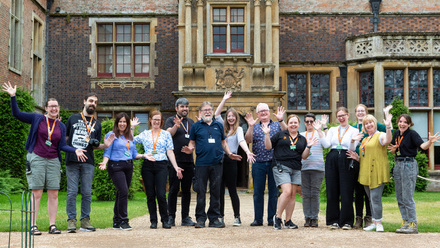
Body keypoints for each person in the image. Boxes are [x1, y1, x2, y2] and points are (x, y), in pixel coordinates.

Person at [2, 82, 87, 235]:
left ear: (58, 108)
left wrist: (75, 150)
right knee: (37, 192)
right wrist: (13, 97)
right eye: (51, 106)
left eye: (56, 106)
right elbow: (17, 114)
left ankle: (52, 225)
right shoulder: (37, 119)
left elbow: (62, 146)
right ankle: (33, 225)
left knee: (54, 192)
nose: (54, 108)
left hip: (54, 161)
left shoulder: (60, 126)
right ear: (46, 108)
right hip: (37, 158)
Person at [182, 101, 242, 228]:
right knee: (201, 191)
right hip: (201, 164)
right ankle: (200, 219)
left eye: (210, 109)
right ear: (201, 112)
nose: (208, 112)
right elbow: (192, 142)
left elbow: (224, 143)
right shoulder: (196, 126)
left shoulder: (219, 126)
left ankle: (214, 218)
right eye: (205, 110)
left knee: (216, 192)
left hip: (217, 164)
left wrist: (230, 154)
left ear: (212, 111)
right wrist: (190, 149)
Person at [65, 93, 115, 233]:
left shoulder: (97, 123)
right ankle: (71, 221)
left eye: (95, 102)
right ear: (84, 101)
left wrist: (105, 145)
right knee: (72, 192)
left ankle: (85, 221)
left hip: (88, 161)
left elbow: (94, 145)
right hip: (72, 160)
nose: (93, 103)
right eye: (91, 101)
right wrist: (73, 150)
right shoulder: (72, 118)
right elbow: (66, 138)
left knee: (87, 193)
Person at [262, 114, 318, 229]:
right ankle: (277, 217)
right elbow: (268, 147)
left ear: (299, 124)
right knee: (286, 191)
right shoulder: (280, 135)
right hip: (281, 166)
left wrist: (309, 147)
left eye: (295, 123)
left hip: (296, 168)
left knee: (292, 195)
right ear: (287, 124)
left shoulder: (302, 139)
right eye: (291, 122)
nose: (293, 125)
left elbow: (304, 156)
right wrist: (267, 134)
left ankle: (288, 221)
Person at [132, 110, 183, 229]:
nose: (156, 122)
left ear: (161, 121)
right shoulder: (145, 134)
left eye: (159, 120)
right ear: (150, 120)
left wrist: (176, 167)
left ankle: (165, 220)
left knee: (161, 194)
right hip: (148, 166)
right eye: (154, 119)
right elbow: (131, 141)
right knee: (150, 195)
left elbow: (170, 151)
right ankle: (153, 221)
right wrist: (133, 128)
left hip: (161, 165)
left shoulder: (166, 134)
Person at [389, 114, 439, 234]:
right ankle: (405, 222)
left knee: (407, 196)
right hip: (398, 164)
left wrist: (430, 142)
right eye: (400, 121)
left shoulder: (412, 134)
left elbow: (422, 146)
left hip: (408, 165)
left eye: (405, 122)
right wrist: (394, 150)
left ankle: (413, 224)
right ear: (398, 122)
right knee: (400, 196)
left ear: (409, 124)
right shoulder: (396, 134)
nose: (402, 124)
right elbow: (394, 150)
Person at [214, 91, 255, 226]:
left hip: (232, 161)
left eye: (233, 116)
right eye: (229, 116)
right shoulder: (221, 126)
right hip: (220, 161)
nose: (231, 118)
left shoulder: (238, 130)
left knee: (232, 190)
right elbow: (216, 114)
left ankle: (237, 217)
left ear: (236, 118)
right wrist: (224, 99)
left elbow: (242, 141)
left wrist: (248, 152)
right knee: (219, 190)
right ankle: (220, 216)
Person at [347, 113, 393, 232]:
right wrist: (357, 158)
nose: (368, 125)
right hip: (366, 171)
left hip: (377, 171)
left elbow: (388, 140)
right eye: (366, 123)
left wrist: (388, 126)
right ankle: (374, 221)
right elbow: (364, 156)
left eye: (370, 122)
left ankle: (379, 223)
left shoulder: (380, 135)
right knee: (371, 198)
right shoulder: (366, 139)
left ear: (375, 123)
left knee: (375, 198)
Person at [98, 112, 144, 231]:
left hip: (128, 165)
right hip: (116, 166)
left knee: (120, 193)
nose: (122, 124)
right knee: (124, 191)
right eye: (120, 121)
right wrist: (104, 162)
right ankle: (124, 221)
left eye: (124, 122)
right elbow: (107, 152)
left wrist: (145, 155)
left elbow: (134, 154)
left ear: (127, 124)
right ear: (116, 123)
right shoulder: (112, 134)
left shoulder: (130, 136)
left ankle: (116, 221)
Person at [245, 103, 287, 226]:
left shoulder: (276, 125)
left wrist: (281, 119)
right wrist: (250, 126)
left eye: (265, 110)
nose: (263, 113)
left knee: (273, 192)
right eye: (260, 111)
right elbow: (248, 140)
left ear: (269, 112)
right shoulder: (255, 126)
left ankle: (271, 218)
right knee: (258, 192)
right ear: (257, 114)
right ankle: (258, 219)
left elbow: (287, 132)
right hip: (258, 163)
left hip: (274, 162)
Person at [319, 107, 360, 230]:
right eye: (339, 116)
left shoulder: (354, 130)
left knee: (346, 189)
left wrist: (352, 141)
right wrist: (319, 131)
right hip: (332, 157)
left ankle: (347, 221)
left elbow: (351, 148)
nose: (341, 118)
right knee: (332, 189)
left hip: (346, 156)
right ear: (336, 118)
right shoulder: (332, 129)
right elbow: (326, 144)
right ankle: (333, 220)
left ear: (348, 115)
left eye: (343, 115)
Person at [165, 98, 196, 227]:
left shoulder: (191, 122)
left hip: (188, 161)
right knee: (173, 189)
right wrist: (176, 125)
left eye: (186, 107)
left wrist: (191, 149)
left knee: (187, 190)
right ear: (176, 108)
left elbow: (193, 139)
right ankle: (171, 216)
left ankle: (185, 217)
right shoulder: (170, 120)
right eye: (182, 106)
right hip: (175, 161)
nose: (185, 109)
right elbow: (168, 135)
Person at [300, 113, 328, 228]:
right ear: (304, 123)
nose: (309, 123)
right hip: (304, 168)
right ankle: (307, 217)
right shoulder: (301, 135)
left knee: (315, 194)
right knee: (306, 194)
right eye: (307, 121)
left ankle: (314, 218)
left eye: (311, 121)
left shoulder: (319, 133)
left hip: (317, 167)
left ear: (315, 122)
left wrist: (322, 128)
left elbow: (327, 143)